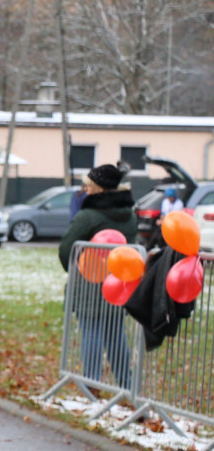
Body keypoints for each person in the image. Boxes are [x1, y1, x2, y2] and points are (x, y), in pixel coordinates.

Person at [58, 164, 137, 388]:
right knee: (116, 333)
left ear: (99, 189)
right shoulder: (129, 216)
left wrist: (74, 270)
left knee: (91, 330)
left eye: (89, 186)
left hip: (89, 283)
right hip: (119, 283)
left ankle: (90, 383)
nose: (86, 190)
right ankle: (126, 384)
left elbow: (66, 249)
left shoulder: (88, 216)